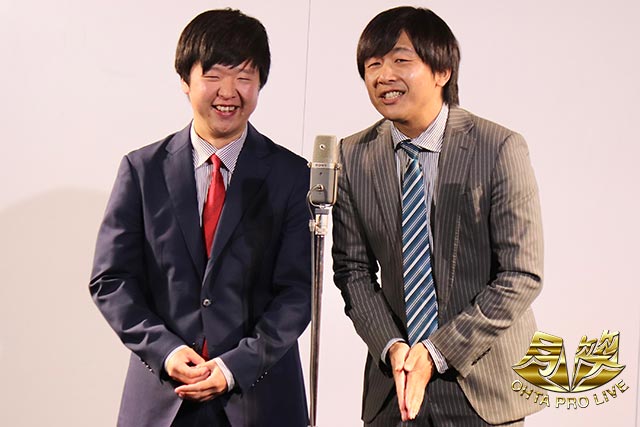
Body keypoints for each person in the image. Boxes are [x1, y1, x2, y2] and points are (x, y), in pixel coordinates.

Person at [90, 9, 311, 427]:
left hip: (259, 400)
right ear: (185, 80)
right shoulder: (142, 170)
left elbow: (298, 292)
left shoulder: (292, 175)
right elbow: (112, 280)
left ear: (260, 83)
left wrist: (234, 366)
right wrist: (166, 351)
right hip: (163, 399)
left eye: (244, 76)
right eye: (213, 75)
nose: (229, 91)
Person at [332, 6, 544, 426]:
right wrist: (392, 347)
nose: (384, 76)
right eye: (373, 65)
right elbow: (352, 271)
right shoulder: (353, 155)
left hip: (483, 387)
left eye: (400, 60)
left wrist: (437, 352)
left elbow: (521, 274)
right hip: (394, 386)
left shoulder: (498, 147)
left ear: (442, 71)